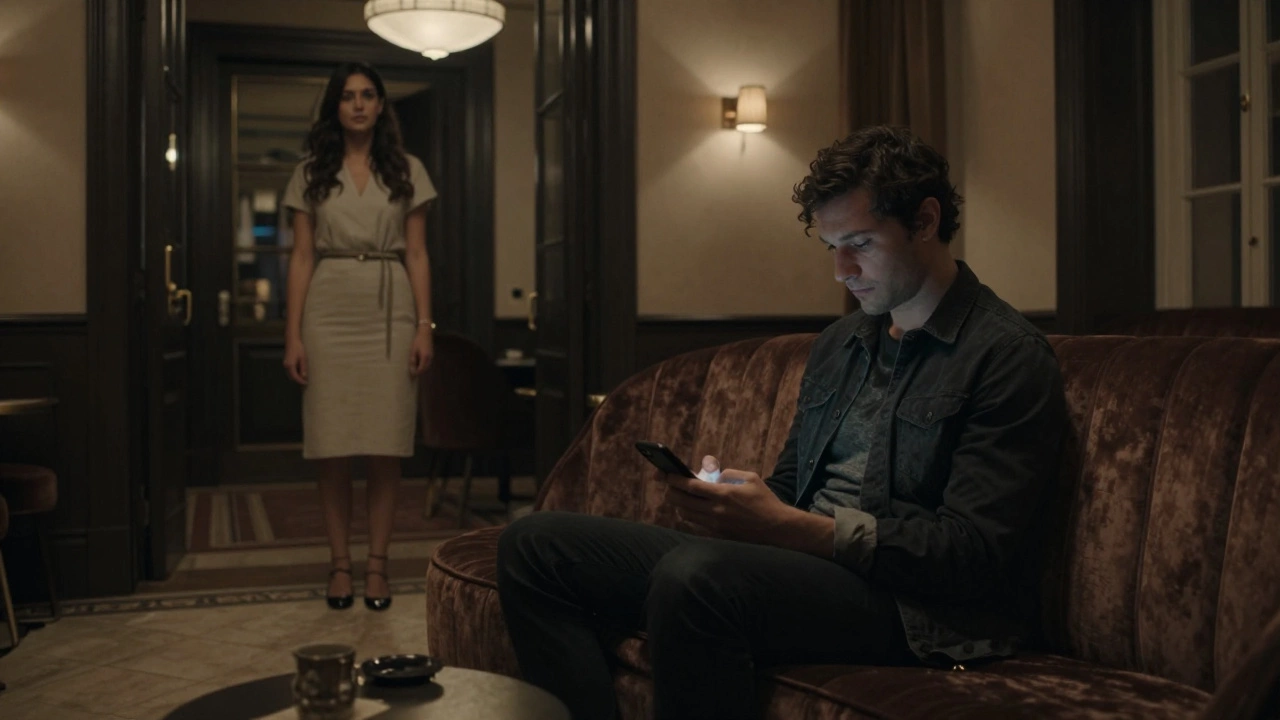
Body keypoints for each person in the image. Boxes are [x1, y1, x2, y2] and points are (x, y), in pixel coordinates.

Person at [495, 126, 1068, 720]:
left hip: (916, 608)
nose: (841, 270)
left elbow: (971, 553)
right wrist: (741, 502)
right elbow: (793, 489)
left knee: (695, 575)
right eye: (831, 247)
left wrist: (795, 530)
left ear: (925, 221)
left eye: (862, 243)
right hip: (809, 568)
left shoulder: (1006, 355)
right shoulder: (841, 343)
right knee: (534, 546)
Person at [282, 61, 438, 612]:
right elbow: (301, 257)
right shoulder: (308, 172)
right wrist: (293, 336)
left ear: (380, 105)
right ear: (335, 105)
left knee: (385, 445)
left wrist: (425, 325)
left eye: (368, 95)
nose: (357, 104)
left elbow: (417, 252)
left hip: (391, 306)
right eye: (347, 96)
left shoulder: (408, 169)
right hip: (328, 308)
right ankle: (339, 565)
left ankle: (377, 566)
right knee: (331, 446)